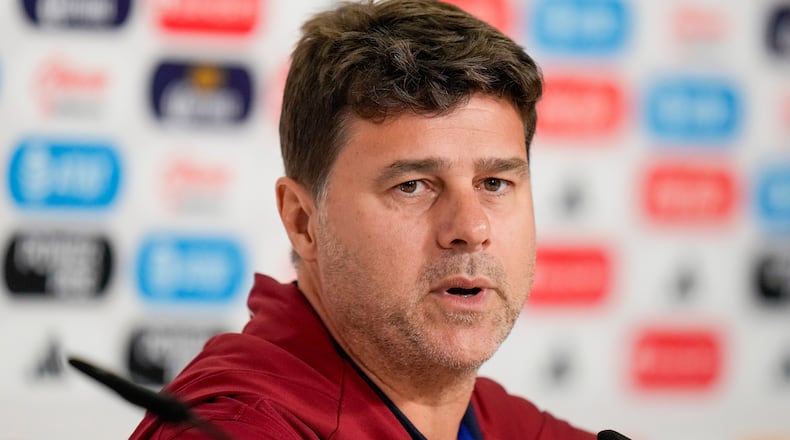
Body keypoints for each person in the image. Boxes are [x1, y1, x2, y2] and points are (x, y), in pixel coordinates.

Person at [131, 0, 597, 438]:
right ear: (302, 221)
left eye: (494, 183)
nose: (470, 229)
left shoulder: (507, 424)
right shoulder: (238, 427)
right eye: (412, 185)